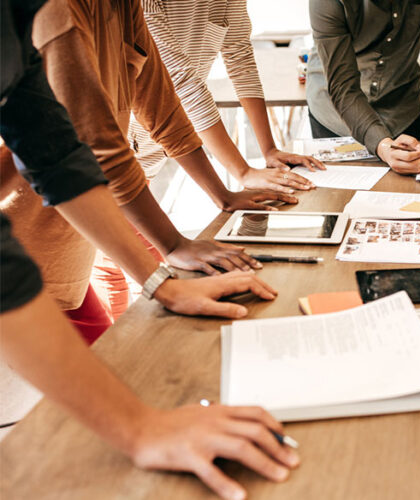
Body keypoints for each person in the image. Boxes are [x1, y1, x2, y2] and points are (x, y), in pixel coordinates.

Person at [1, 3, 297, 497]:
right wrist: (137, 428)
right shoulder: (58, 12)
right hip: (22, 270)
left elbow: (56, 151)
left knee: (124, 378)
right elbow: (90, 143)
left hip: (49, 266)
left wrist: (162, 276)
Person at [9, 0, 298, 329]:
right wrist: (170, 255)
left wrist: (223, 194)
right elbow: (97, 140)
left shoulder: (125, 5)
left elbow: (161, 104)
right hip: (30, 221)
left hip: (77, 205)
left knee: (114, 351)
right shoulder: (59, 11)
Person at [132, 0, 325, 195]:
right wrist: (243, 172)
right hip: (119, 146)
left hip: (152, 152)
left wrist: (269, 150)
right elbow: (182, 81)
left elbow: (241, 58)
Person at [307, 0, 420, 175]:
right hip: (337, 115)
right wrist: (382, 145)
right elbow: (343, 85)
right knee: (339, 195)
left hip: (401, 108)